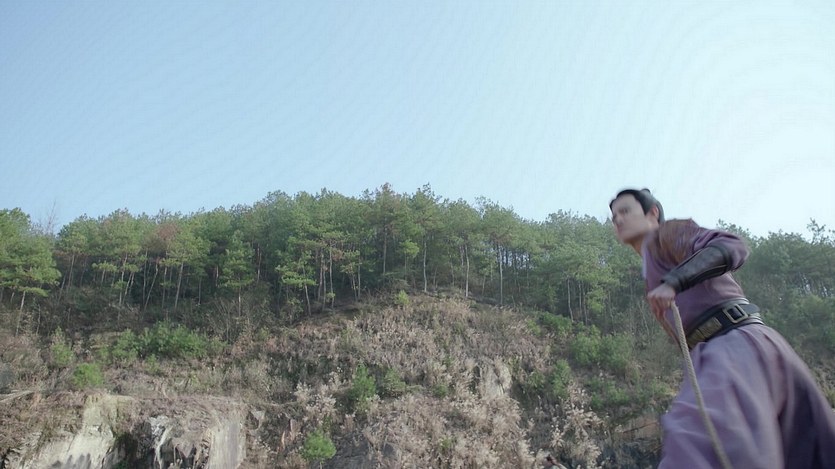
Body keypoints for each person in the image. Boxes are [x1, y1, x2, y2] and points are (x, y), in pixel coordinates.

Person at [609, 188, 835, 469]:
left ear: (652, 213)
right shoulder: (650, 266)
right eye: (613, 217)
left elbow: (731, 246)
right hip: (757, 350)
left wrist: (675, 281)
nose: (618, 220)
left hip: (734, 348)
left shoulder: (666, 235)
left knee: (695, 450)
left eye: (625, 211)